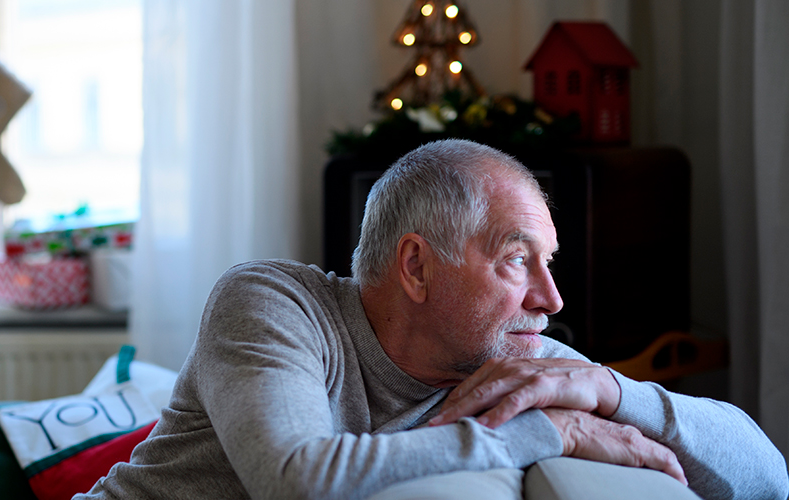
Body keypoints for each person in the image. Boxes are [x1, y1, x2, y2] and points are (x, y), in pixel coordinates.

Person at [77, 139, 788, 500]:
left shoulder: (513, 361)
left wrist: (610, 390)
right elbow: (294, 477)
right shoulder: (273, 304)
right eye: (518, 259)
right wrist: (547, 432)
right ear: (416, 267)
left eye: (552, 262)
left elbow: (767, 476)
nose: (552, 298)